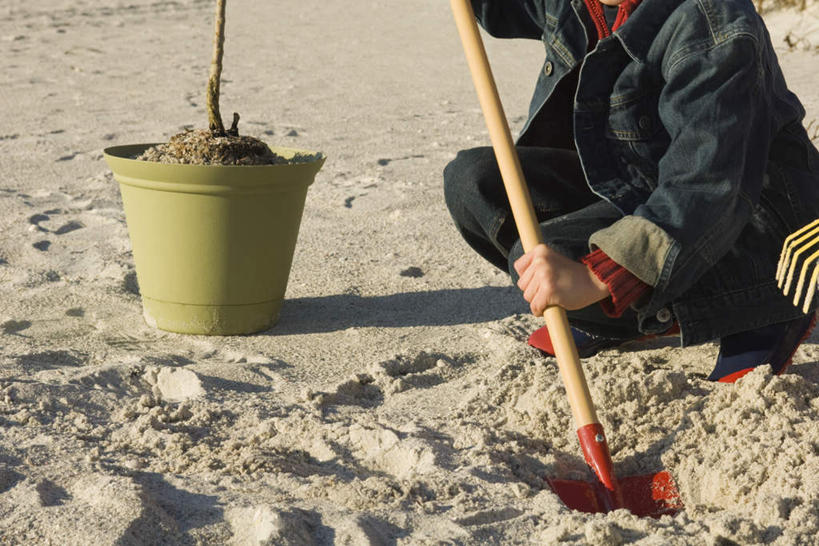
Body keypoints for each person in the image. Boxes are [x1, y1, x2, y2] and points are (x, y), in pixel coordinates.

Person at [443, 0, 819, 382]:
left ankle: (756, 305)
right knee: (475, 185)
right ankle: (632, 312)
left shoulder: (713, 22)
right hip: (641, 186)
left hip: (751, 222)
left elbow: (705, 185)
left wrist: (596, 278)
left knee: (542, 254)